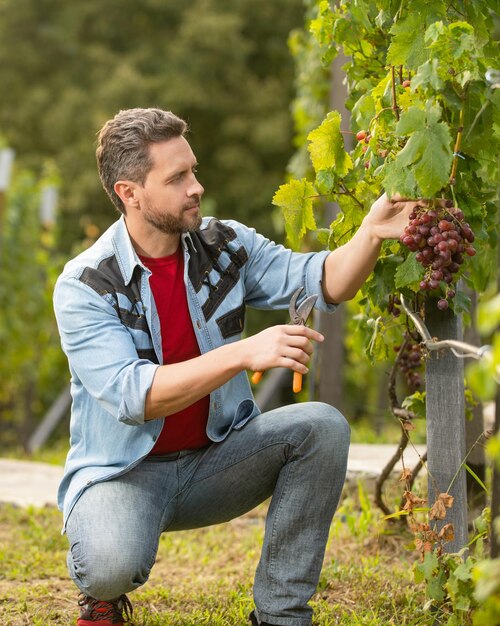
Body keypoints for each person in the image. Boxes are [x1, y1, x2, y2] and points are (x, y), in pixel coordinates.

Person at [53, 107, 424, 626]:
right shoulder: (86, 283)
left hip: (216, 461)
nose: (196, 187)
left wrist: (370, 233)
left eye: (194, 171)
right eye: (177, 177)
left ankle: (280, 614)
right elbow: (134, 396)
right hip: (125, 473)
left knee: (320, 427)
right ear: (129, 193)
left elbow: (321, 280)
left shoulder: (224, 246)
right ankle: (100, 595)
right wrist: (244, 352)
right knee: (110, 562)